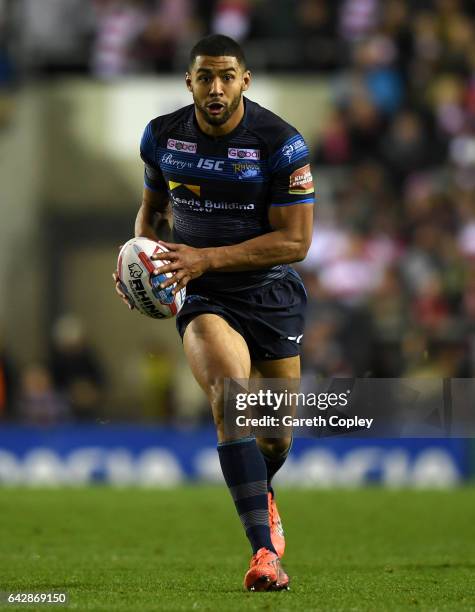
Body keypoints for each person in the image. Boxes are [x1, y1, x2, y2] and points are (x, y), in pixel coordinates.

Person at [113, 33, 314, 591]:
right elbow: (151, 214)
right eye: (205, 76)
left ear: (245, 80)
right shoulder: (162, 137)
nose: (216, 87)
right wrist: (141, 265)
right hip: (204, 297)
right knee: (231, 399)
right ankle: (264, 556)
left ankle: (263, 492)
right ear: (189, 81)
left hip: (271, 294)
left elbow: (295, 243)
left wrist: (206, 256)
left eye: (227, 76)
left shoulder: (281, 144)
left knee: (274, 437)